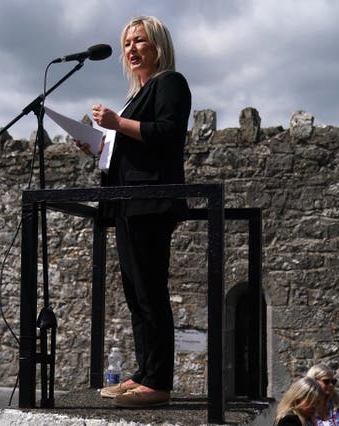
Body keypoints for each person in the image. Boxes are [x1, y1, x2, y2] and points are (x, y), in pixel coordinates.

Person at [86, 15, 191, 408]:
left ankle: (159, 381)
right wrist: (99, 145)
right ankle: (145, 373)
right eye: (127, 43)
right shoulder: (136, 96)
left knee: (150, 292)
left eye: (140, 41)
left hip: (151, 202)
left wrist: (117, 123)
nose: (131, 49)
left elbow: (167, 133)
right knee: (134, 294)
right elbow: (130, 150)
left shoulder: (170, 84)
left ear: (158, 47)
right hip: (128, 202)